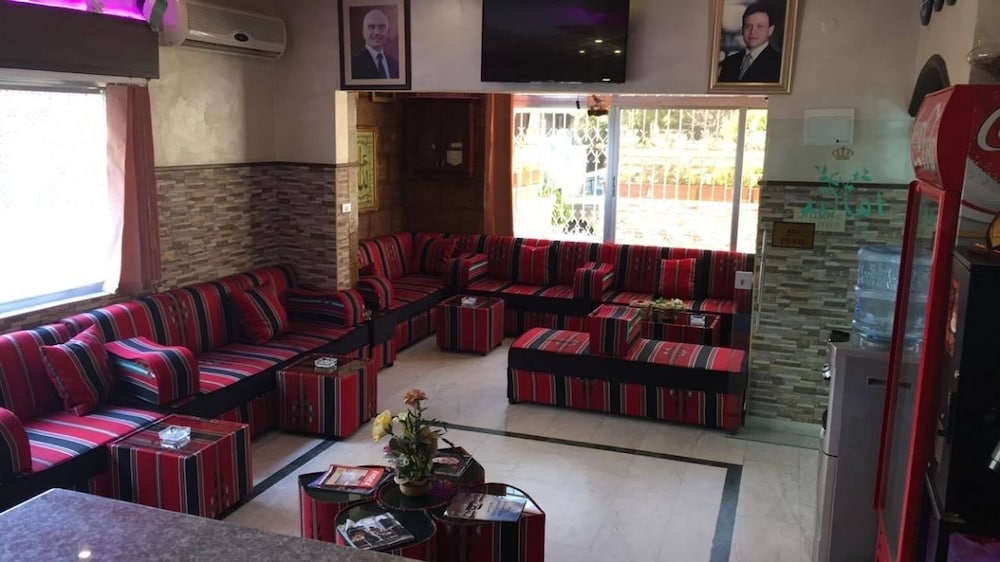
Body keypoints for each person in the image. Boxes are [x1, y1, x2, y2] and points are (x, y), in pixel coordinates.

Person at [717, 3, 782, 83]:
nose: (752, 32)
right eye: (748, 26)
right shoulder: (730, 62)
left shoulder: (779, 62)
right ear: (742, 30)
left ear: (770, 30)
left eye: (760, 26)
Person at [351, 8, 399, 79]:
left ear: (388, 32)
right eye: (371, 27)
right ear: (363, 33)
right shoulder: (353, 64)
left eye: (381, 27)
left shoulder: (395, 64)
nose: (377, 32)